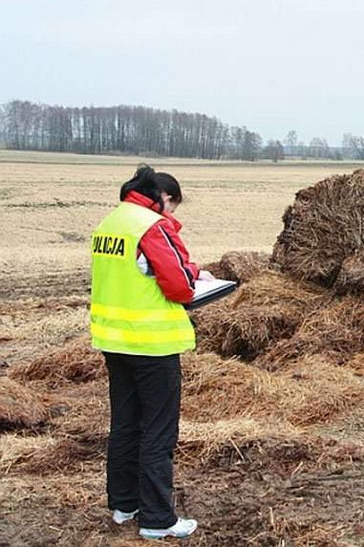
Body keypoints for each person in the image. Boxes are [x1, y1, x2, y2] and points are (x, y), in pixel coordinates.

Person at [90, 164, 212, 540]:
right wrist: (196, 276)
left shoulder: (110, 224)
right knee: (158, 432)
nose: (171, 213)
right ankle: (158, 520)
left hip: (114, 341)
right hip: (152, 345)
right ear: (162, 198)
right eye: (172, 205)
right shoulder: (151, 226)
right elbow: (179, 286)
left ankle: (124, 505)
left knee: (125, 425)